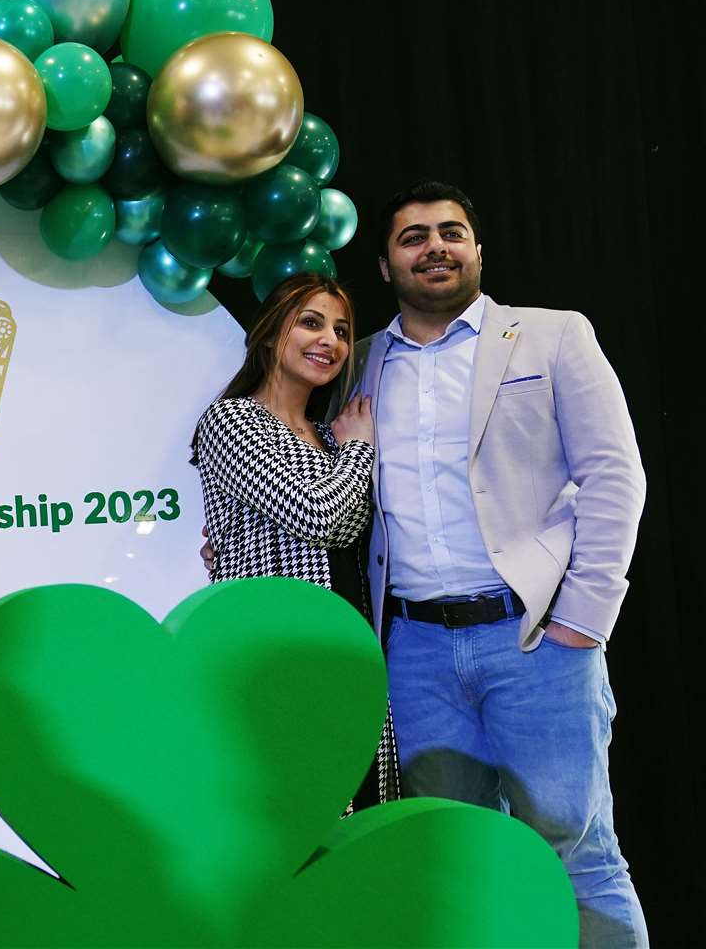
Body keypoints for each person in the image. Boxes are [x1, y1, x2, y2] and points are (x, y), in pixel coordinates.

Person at [204, 181, 647, 947]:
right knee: (454, 854)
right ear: (386, 265)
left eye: (450, 232)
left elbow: (615, 476)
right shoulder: (360, 363)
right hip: (412, 655)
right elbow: (318, 490)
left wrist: (584, 618)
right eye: (413, 237)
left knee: (576, 850)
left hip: (536, 639)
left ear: (478, 250)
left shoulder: (552, 337)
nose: (434, 246)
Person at [191, 271, 398, 811]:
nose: (329, 340)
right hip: (280, 662)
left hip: (350, 656)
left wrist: (346, 449)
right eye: (310, 322)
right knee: (303, 826)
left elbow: (354, 529)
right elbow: (320, 515)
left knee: (364, 832)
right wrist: (358, 452)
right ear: (268, 333)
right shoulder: (232, 421)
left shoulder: (331, 434)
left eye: (341, 329)